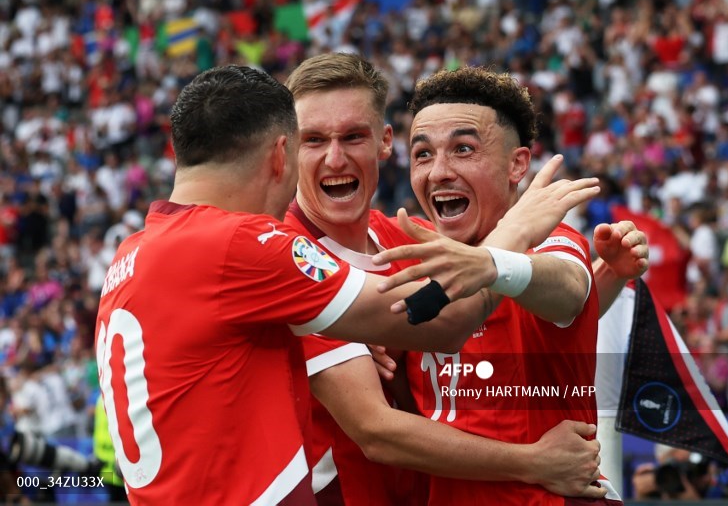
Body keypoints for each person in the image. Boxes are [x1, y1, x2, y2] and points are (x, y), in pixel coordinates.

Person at [93, 65, 598, 505]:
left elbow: (545, 310)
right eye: (313, 141)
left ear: (382, 142)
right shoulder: (257, 248)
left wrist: (605, 278)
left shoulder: (134, 252)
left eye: (353, 137)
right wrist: (516, 233)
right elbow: (445, 328)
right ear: (282, 155)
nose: (334, 159)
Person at [284, 54, 647, 505]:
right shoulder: (292, 260)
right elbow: (376, 429)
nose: (439, 171)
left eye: (463, 149)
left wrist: (599, 279)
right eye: (314, 139)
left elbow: (566, 293)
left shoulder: (416, 242)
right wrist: (533, 460)